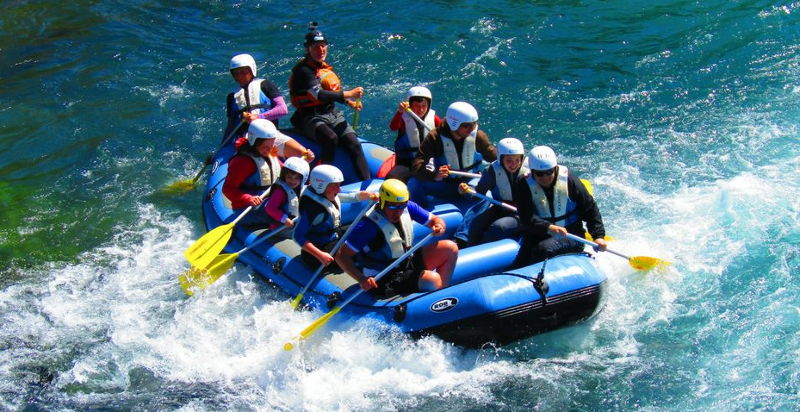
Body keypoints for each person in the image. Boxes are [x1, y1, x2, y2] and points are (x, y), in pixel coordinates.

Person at [335, 179, 458, 297]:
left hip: (405, 261)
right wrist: (361, 279)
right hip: (382, 277)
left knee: (450, 247)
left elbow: (435, 219)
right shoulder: (367, 226)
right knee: (433, 280)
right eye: (393, 206)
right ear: (382, 202)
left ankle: (442, 294)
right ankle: (438, 299)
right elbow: (341, 255)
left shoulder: (407, 207)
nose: (398, 211)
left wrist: (439, 225)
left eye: (401, 206)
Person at [288, 22, 370, 180]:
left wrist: (349, 102)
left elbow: (330, 93)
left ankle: (367, 184)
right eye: (315, 47)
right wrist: (348, 94)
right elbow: (319, 95)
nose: (320, 50)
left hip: (331, 113)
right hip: (309, 117)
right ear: (308, 49)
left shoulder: (321, 67)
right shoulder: (303, 71)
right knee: (330, 138)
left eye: (323, 46)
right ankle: (320, 180)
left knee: (354, 143)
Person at [512, 146, 607, 266]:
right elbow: (526, 216)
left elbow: (589, 209)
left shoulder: (569, 180)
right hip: (538, 234)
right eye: (540, 174)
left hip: (571, 235)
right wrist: (548, 227)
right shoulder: (523, 183)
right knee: (519, 264)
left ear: (555, 168)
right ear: (532, 172)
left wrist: (598, 236)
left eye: (549, 172)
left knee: (543, 249)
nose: (545, 178)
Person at [409, 101, 497, 207]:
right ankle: (420, 214)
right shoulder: (435, 138)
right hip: (445, 184)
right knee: (414, 184)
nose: (472, 129)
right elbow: (417, 165)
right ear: (454, 123)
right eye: (466, 126)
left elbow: (495, 158)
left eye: (474, 124)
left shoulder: (478, 137)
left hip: (470, 182)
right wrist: (434, 175)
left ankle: (470, 221)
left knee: (486, 196)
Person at [293, 164, 377, 269]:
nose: (339, 189)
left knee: (362, 231)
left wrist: (366, 196)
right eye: (335, 185)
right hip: (318, 252)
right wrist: (320, 255)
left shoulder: (326, 194)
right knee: (356, 252)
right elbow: (297, 236)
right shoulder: (313, 209)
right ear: (321, 186)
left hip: (332, 237)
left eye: (339, 185)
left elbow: (347, 197)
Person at [453, 137, 529, 248]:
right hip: (500, 208)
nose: (514, 164)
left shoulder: (529, 173)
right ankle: (467, 250)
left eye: (517, 160)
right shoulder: (491, 171)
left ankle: (481, 255)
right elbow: (478, 194)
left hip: (522, 213)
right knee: (476, 223)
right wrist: (466, 191)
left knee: (498, 227)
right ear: (500, 158)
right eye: (509, 160)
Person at [223, 53, 288, 141]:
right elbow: (230, 126)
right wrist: (222, 146)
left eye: (243, 72)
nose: (239, 77)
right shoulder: (231, 97)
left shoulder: (265, 85)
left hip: (270, 133)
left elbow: (283, 109)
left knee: (300, 150)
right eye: (236, 74)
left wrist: (258, 117)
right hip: (247, 137)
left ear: (252, 70)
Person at [388, 86, 442, 169]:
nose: (420, 110)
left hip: (428, 160)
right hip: (407, 161)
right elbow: (393, 127)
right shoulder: (403, 117)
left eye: (424, 106)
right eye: (417, 106)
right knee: (392, 176)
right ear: (410, 105)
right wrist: (399, 112)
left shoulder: (434, 118)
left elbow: (446, 132)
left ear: (429, 105)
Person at [262, 156, 309, 238]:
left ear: (303, 179)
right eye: (289, 177)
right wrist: (284, 219)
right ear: (284, 176)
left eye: (297, 178)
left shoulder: (301, 189)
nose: (292, 181)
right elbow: (270, 208)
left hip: (292, 223)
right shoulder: (280, 192)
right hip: (280, 226)